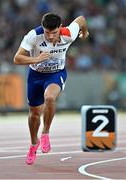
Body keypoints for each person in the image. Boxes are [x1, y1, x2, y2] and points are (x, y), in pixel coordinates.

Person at [14, 12, 89, 165]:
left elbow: (81, 19)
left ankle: (45, 134)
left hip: (56, 74)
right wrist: (37, 58)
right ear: (43, 28)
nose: (50, 36)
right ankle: (34, 144)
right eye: (47, 32)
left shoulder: (68, 33)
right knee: (34, 114)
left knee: (49, 97)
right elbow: (17, 58)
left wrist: (85, 32)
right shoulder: (33, 35)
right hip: (35, 76)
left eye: (54, 33)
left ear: (60, 28)